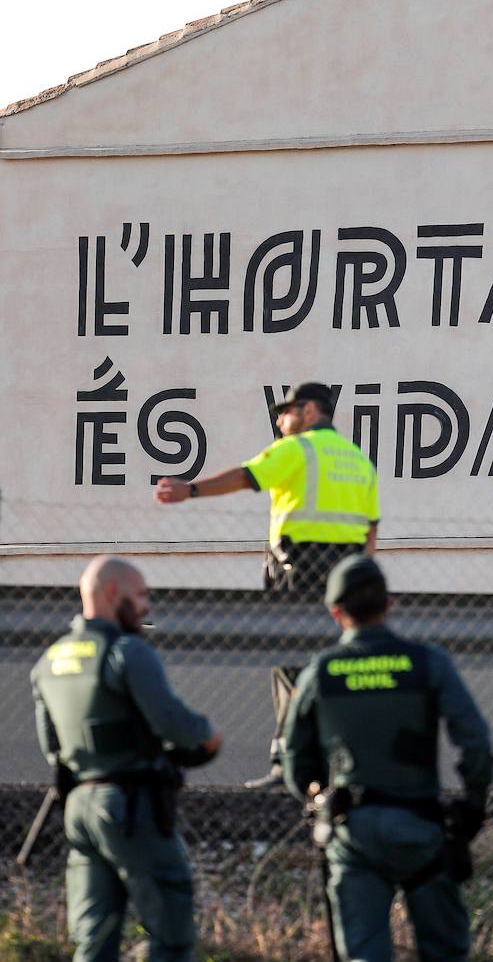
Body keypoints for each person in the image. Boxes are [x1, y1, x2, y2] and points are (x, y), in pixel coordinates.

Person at [154, 379, 379, 785]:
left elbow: (246, 477)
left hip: (298, 571)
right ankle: (340, 762)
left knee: (289, 662)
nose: (279, 418)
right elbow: (371, 530)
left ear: (310, 412)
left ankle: (290, 765)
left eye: (287, 411)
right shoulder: (358, 460)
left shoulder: (297, 449)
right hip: (348, 578)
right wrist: (363, 577)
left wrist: (191, 490)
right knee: (335, 665)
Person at [283, 554, 493, 962]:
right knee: (447, 949)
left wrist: (315, 798)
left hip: (353, 832)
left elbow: (295, 755)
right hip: (421, 828)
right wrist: (471, 808)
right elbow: (476, 742)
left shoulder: (321, 671)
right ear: (389, 605)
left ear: (335, 613)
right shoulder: (427, 663)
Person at [31, 555, 221, 962]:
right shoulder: (127, 651)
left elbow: (53, 747)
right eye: (140, 595)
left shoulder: (50, 661)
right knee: (170, 929)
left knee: (94, 938)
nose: (146, 605)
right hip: (131, 806)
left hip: (79, 809)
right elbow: (173, 723)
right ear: (113, 593)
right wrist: (209, 736)